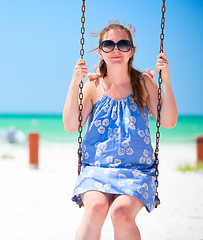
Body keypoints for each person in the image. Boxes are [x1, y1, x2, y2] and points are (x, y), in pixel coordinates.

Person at [63, 21, 178, 240]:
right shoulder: (93, 87)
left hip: (137, 172)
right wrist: (74, 81)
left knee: (121, 212)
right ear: (100, 51)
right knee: (95, 208)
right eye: (109, 45)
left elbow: (169, 121)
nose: (116, 50)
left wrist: (166, 79)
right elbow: (71, 125)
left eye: (123, 44)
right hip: (96, 169)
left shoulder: (144, 84)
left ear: (131, 51)